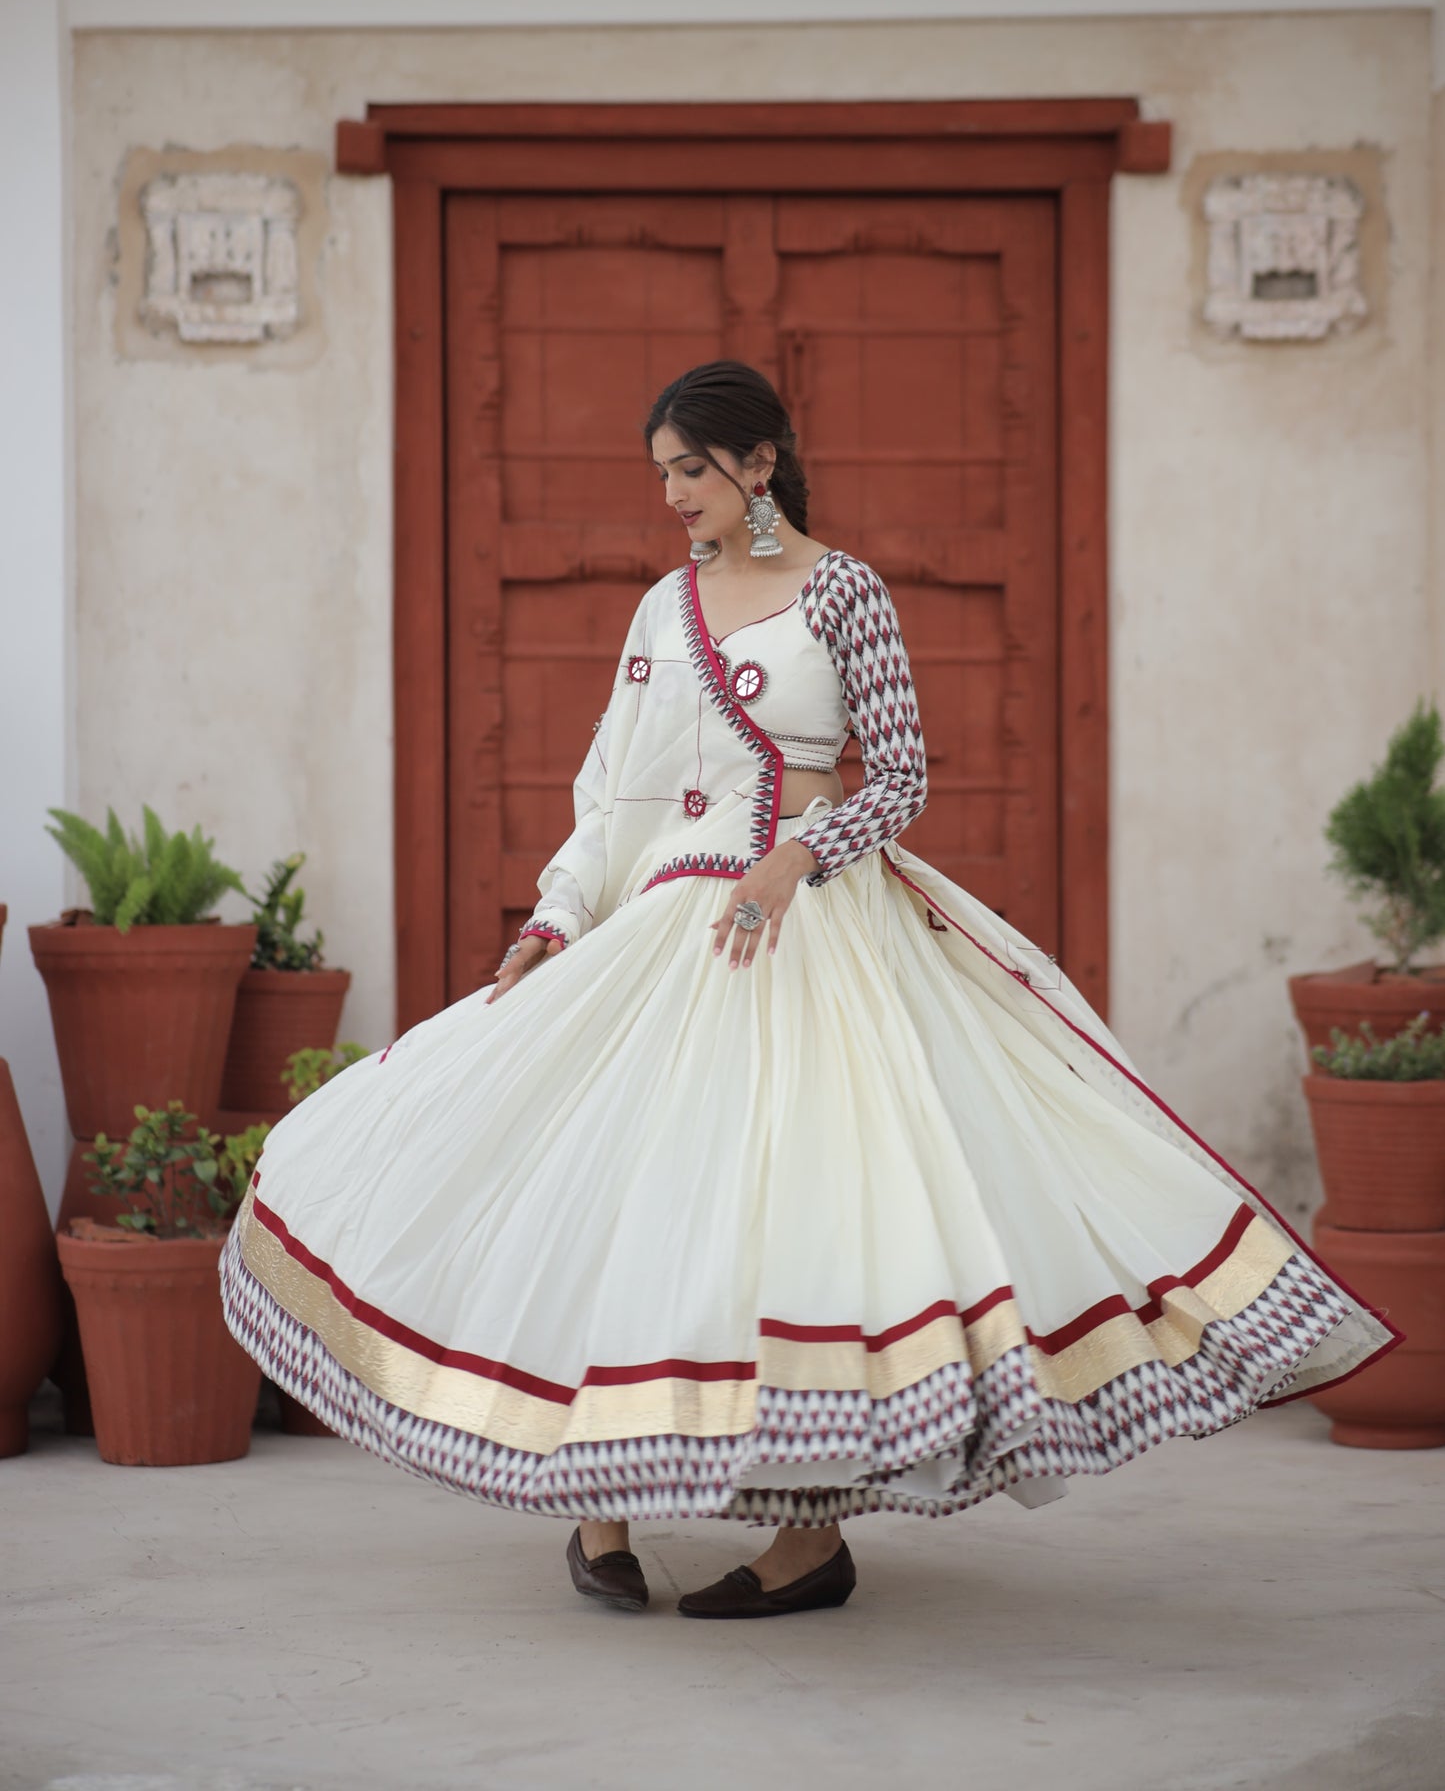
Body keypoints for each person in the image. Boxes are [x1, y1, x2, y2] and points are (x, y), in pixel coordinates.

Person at [222, 359, 1397, 1621]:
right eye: (662, 472)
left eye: (691, 468)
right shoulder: (659, 609)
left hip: (810, 930)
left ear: (758, 462)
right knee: (614, 1184)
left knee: (803, 1214)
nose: (673, 495)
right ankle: (598, 1507)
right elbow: (611, 789)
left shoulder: (844, 592)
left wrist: (797, 854)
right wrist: (558, 916)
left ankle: (805, 1540)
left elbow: (896, 776)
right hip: (666, 934)